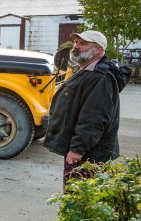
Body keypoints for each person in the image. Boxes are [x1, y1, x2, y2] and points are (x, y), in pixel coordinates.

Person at [44, 31, 130, 186]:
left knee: (80, 200)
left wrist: (78, 149)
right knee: (77, 198)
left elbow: (94, 118)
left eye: (82, 43)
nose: (76, 46)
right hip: (85, 151)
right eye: (76, 42)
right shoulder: (87, 70)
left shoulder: (100, 77)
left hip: (90, 155)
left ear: (98, 50)